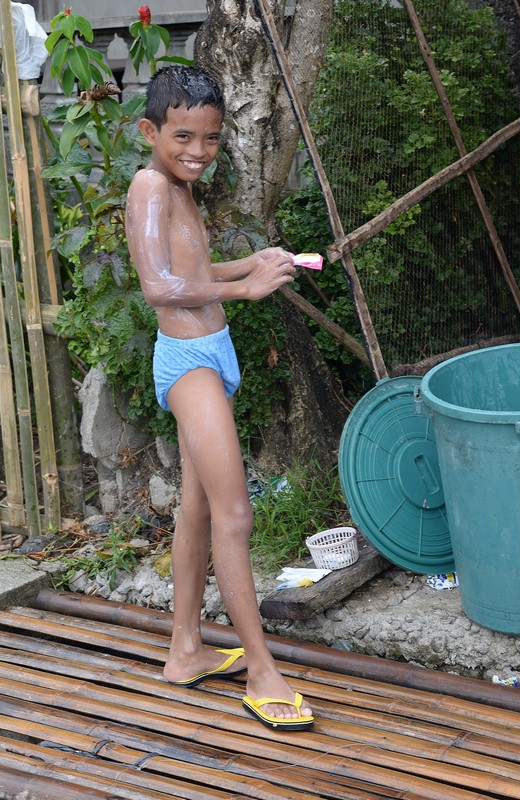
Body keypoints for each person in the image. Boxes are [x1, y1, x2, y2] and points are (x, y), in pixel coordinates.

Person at [125, 64, 312, 731]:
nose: (198, 152)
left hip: (211, 355)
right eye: (183, 137)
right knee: (236, 518)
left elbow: (193, 271)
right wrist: (243, 292)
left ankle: (185, 650)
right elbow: (158, 287)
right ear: (150, 131)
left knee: (199, 512)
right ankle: (262, 670)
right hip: (188, 365)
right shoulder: (150, 184)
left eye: (209, 138)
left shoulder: (180, 188)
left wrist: (260, 262)